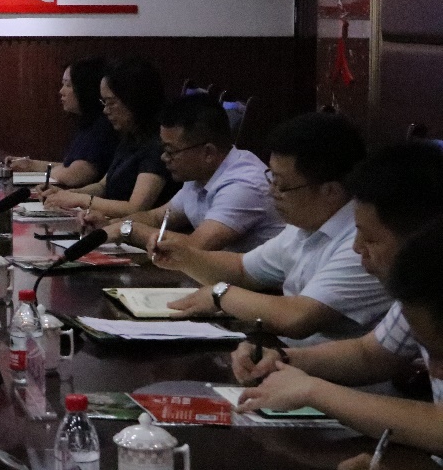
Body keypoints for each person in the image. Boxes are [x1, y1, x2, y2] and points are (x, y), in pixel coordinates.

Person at [231, 143, 443, 462]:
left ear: (423, 236)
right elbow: (370, 354)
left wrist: (314, 391)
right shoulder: (419, 289)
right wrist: (281, 359)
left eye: (370, 238)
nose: (357, 248)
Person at [154, 111, 390, 344]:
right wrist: (186, 257)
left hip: (325, 365)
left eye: (282, 185)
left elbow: (297, 317)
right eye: (272, 178)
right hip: (288, 355)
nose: (271, 192)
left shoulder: (363, 244)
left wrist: (220, 295)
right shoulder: (303, 226)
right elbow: (242, 269)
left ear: (331, 191)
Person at [99, 94, 282, 252]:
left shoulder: (243, 185)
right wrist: (107, 226)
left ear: (208, 152)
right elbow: (156, 217)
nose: (164, 157)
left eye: (171, 151)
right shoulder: (200, 175)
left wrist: (126, 230)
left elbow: (195, 247)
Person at [42, 56, 177, 218]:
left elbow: (135, 208)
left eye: (111, 103)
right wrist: (67, 194)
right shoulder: (131, 136)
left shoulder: (157, 144)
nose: (106, 110)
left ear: (134, 100)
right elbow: (102, 186)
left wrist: (80, 199)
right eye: (104, 102)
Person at [5, 56, 116, 189]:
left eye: (68, 85)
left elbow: (75, 175)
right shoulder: (87, 124)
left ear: (86, 89)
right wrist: (30, 165)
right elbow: (68, 167)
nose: (61, 91)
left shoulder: (104, 125)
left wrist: (47, 172)